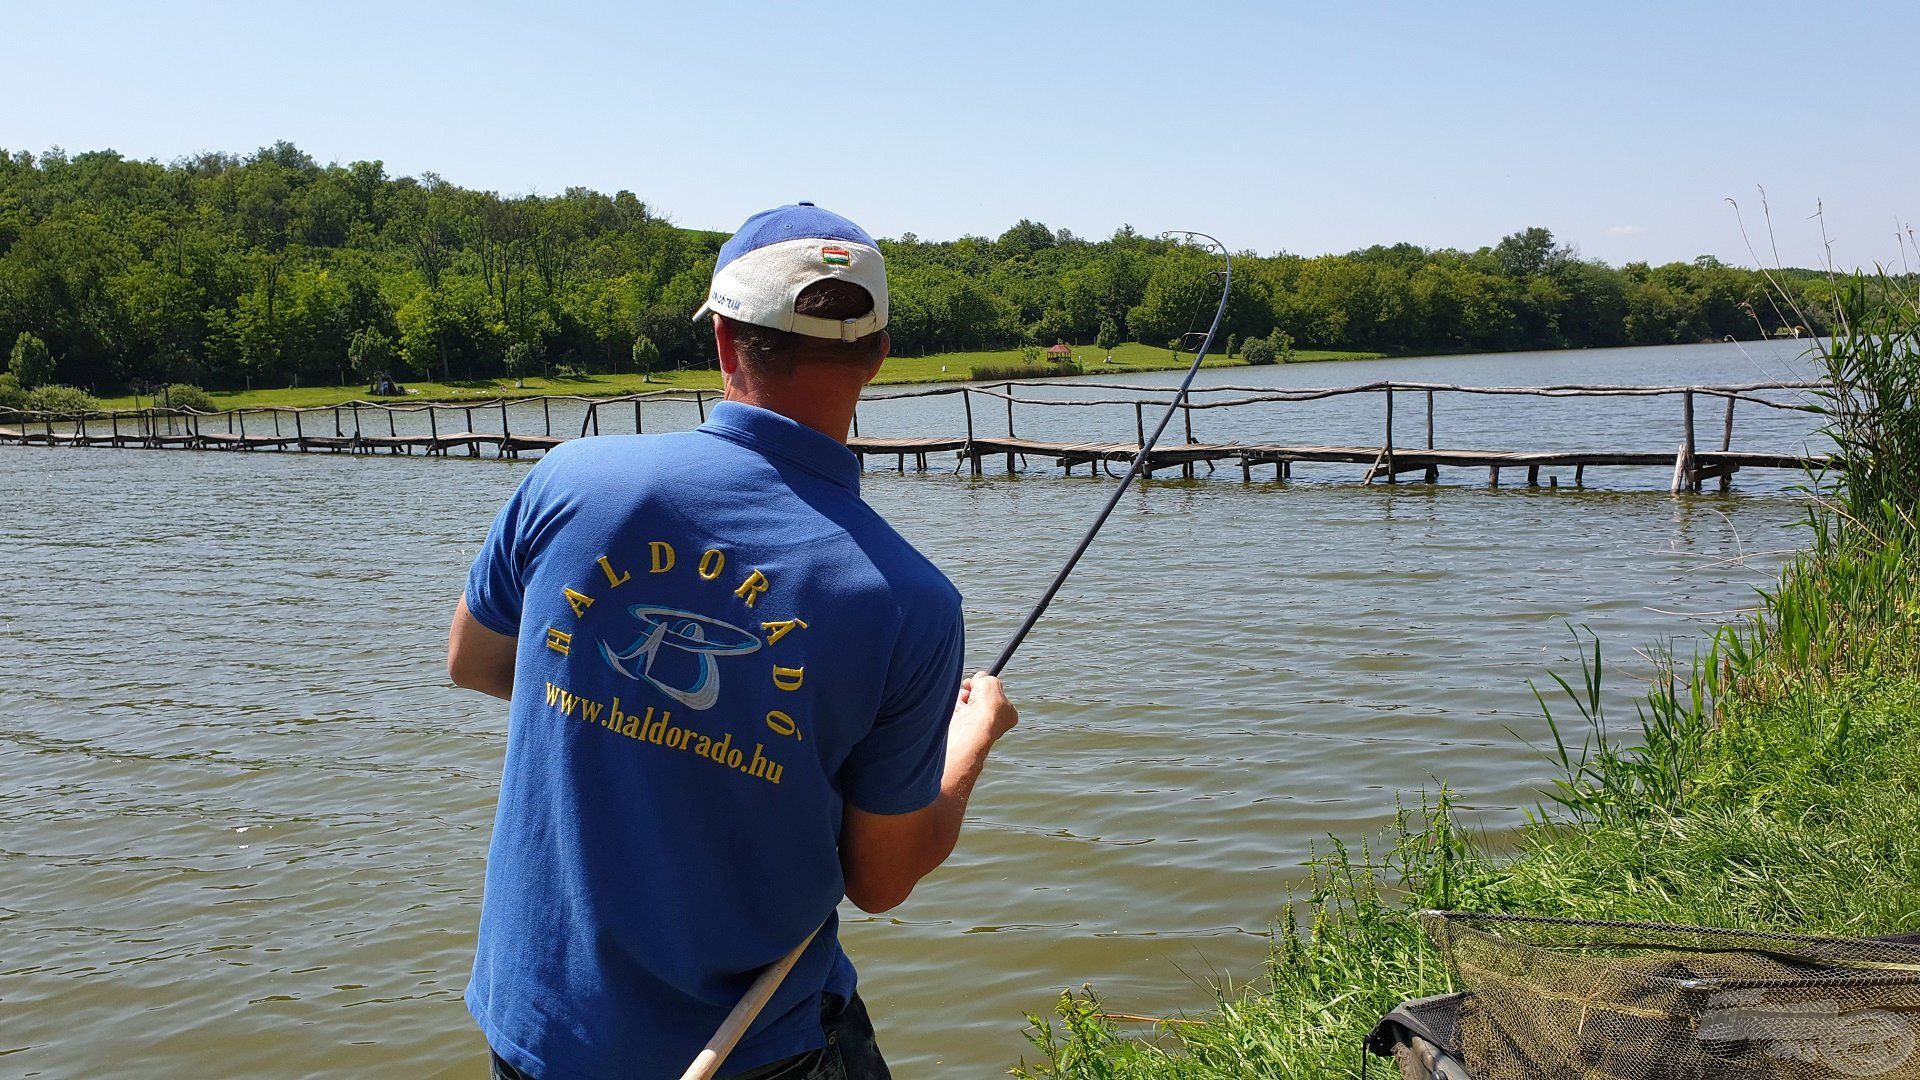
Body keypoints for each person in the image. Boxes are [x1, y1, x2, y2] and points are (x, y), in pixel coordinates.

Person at [447, 202, 1019, 1080]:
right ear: (877, 356)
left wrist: (623, 713)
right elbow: (882, 880)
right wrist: (968, 744)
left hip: (538, 1030)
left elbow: (477, 661)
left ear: (722, 341)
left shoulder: (570, 479)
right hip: (758, 1052)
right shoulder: (910, 601)